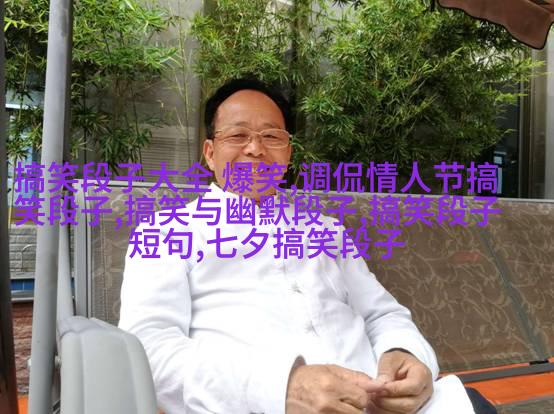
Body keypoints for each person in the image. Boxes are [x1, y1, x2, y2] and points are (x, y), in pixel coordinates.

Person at [118, 78, 484, 414]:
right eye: (238, 135)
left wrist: (404, 353)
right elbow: (148, 349)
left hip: (379, 403)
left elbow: (382, 314)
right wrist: (280, 387)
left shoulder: (326, 230)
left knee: (474, 404)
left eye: (271, 136)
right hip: (256, 407)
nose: (255, 149)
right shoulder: (165, 232)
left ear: (288, 153)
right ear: (210, 153)